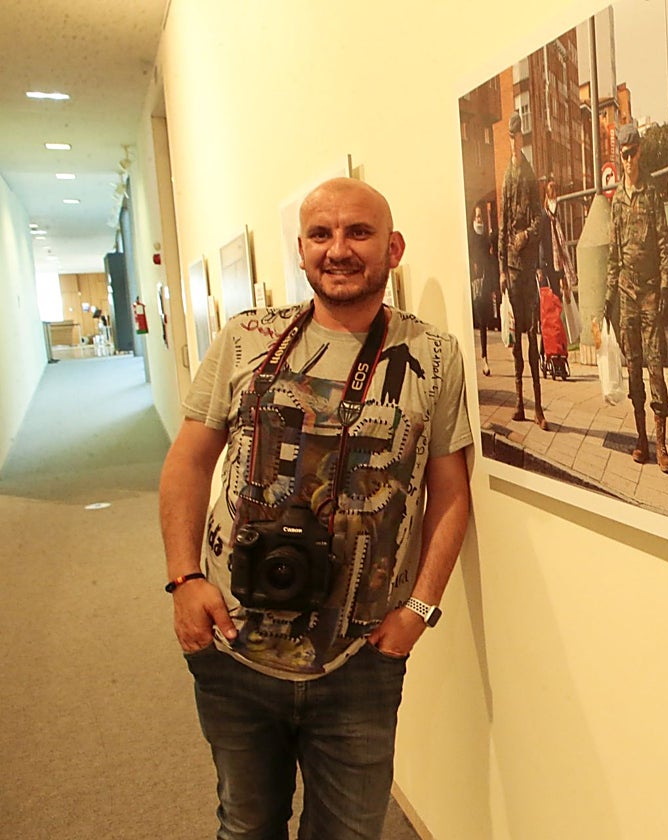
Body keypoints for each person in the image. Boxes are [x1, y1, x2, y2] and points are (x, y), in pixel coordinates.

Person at [159, 177, 473, 839]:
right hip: (235, 642)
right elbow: (187, 461)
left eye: (358, 232)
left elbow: (451, 491)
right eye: (320, 235)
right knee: (246, 826)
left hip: (358, 657)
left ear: (394, 247)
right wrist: (184, 580)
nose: (338, 249)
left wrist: (418, 611)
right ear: (300, 252)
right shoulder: (245, 339)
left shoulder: (434, 357)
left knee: (351, 834)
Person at [606, 123, 668, 473]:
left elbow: (664, 242)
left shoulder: (651, 193)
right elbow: (613, 254)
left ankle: (662, 443)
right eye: (622, 154)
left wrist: (664, 285)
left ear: (640, 151)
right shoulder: (617, 199)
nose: (627, 160)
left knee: (655, 366)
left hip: (649, 293)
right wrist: (607, 299)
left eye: (632, 153)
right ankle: (642, 439)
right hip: (626, 296)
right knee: (633, 367)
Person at [498, 111, 547, 429]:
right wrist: (501, 268)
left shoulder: (528, 173)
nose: (514, 141)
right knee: (516, 339)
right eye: (510, 137)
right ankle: (520, 403)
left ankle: (539, 407)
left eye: (516, 136)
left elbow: (540, 219)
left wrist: (526, 236)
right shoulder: (506, 176)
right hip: (512, 270)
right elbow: (502, 224)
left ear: (521, 138)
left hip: (528, 268)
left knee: (532, 339)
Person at [468, 201, 498, 375]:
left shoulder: (486, 238)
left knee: (485, 322)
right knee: (479, 320)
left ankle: (485, 357)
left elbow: (491, 260)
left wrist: (493, 284)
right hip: (474, 284)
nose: (480, 219)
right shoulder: (471, 238)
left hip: (485, 284)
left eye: (481, 217)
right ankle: (481, 357)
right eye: (477, 216)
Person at [539, 176, 578, 301]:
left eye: (555, 196)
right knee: (554, 296)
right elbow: (541, 241)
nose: (554, 200)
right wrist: (542, 263)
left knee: (560, 294)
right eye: (552, 196)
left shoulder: (556, 216)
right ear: (547, 197)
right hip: (549, 262)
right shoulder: (544, 216)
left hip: (559, 259)